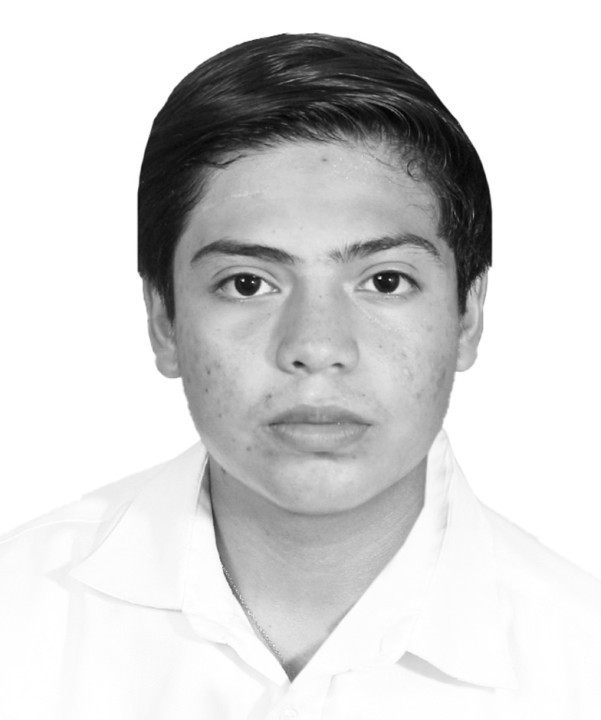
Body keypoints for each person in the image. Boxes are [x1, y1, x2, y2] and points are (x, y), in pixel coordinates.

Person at [1, 32, 600, 720]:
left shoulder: (582, 664)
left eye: (384, 280)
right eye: (248, 283)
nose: (316, 347)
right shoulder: (16, 622)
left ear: (467, 314)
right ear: (163, 319)